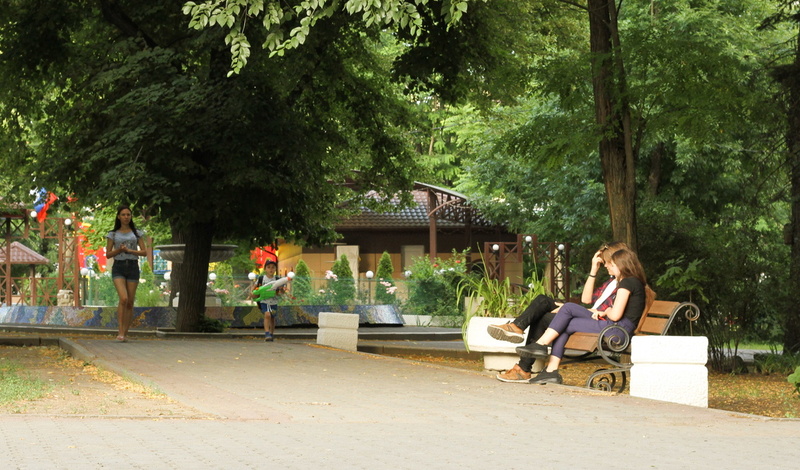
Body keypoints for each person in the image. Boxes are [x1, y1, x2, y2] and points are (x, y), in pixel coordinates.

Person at [491, 241, 629, 383]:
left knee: (544, 311)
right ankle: (520, 347)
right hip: (587, 314)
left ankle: (521, 358)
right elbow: (586, 299)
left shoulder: (625, 284)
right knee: (542, 301)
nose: (605, 265)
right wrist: (594, 269)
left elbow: (605, 312)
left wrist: (566, 309)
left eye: (607, 261)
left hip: (594, 320)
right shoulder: (611, 282)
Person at [516, 248, 654, 385]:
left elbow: (616, 315)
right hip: (616, 328)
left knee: (568, 308)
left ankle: (541, 345)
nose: (607, 266)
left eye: (610, 264)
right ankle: (551, 371)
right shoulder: (632, 282)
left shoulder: (627, 282)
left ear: (621, 265)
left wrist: (607, 311)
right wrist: (607, 312)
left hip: (617, 330)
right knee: (565, 323)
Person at [105, 205, 149, 342]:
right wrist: (119, 250)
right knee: (123, 298)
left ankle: (125, 332)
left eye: (128, 215)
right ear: (118, 216)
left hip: (132, 266)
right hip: (118, 267)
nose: (126, 217)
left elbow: (144, 252)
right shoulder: (112, 234)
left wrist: (130, 251)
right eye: (123, 215)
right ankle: (120, 331)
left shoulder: (137, 233)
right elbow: (108, 254)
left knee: (130, 301)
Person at [252, 259, 283, 342]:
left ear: (275, 269)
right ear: (265, 269)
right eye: (268, 267)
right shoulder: (261, 279)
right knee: (267, 315)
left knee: (272, 317)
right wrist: (252, 294)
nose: (271, 269)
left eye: (273, 267)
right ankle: (267, 333)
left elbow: (282, 291)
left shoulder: (277, 279)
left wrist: (280, 290)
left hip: (274, 301)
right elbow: (254, 288)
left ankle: (271, 334)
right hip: (264, 301)